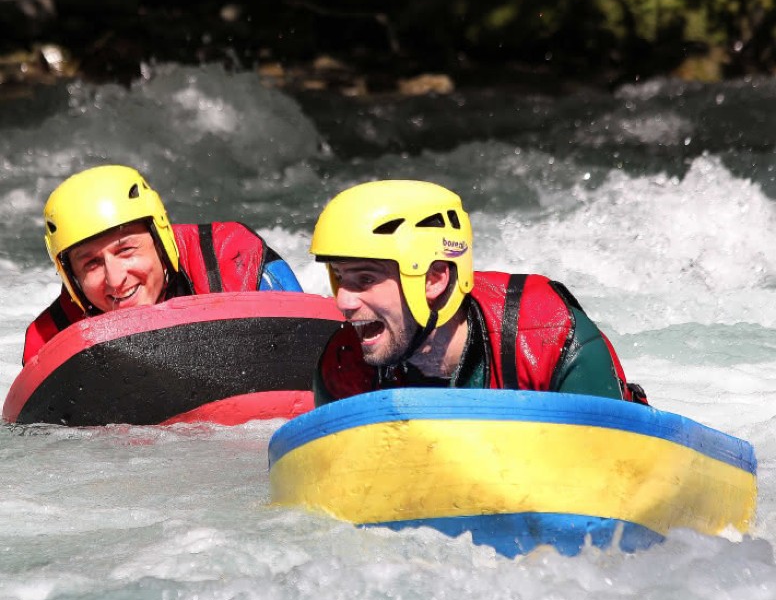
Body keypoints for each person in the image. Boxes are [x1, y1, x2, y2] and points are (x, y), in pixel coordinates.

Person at [310, 179, 647, 406]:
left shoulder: (550, 339)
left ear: (434, 279)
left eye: (365, 279)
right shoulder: (344, 364)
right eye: (340, 277)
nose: (343, 301)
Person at [22, 164, 302, 364]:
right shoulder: (50, 341)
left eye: (126, 250)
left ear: (161, 240)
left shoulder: (232, 259)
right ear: (71, 278)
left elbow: (313, 353)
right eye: (92, 264)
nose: (115, 279)